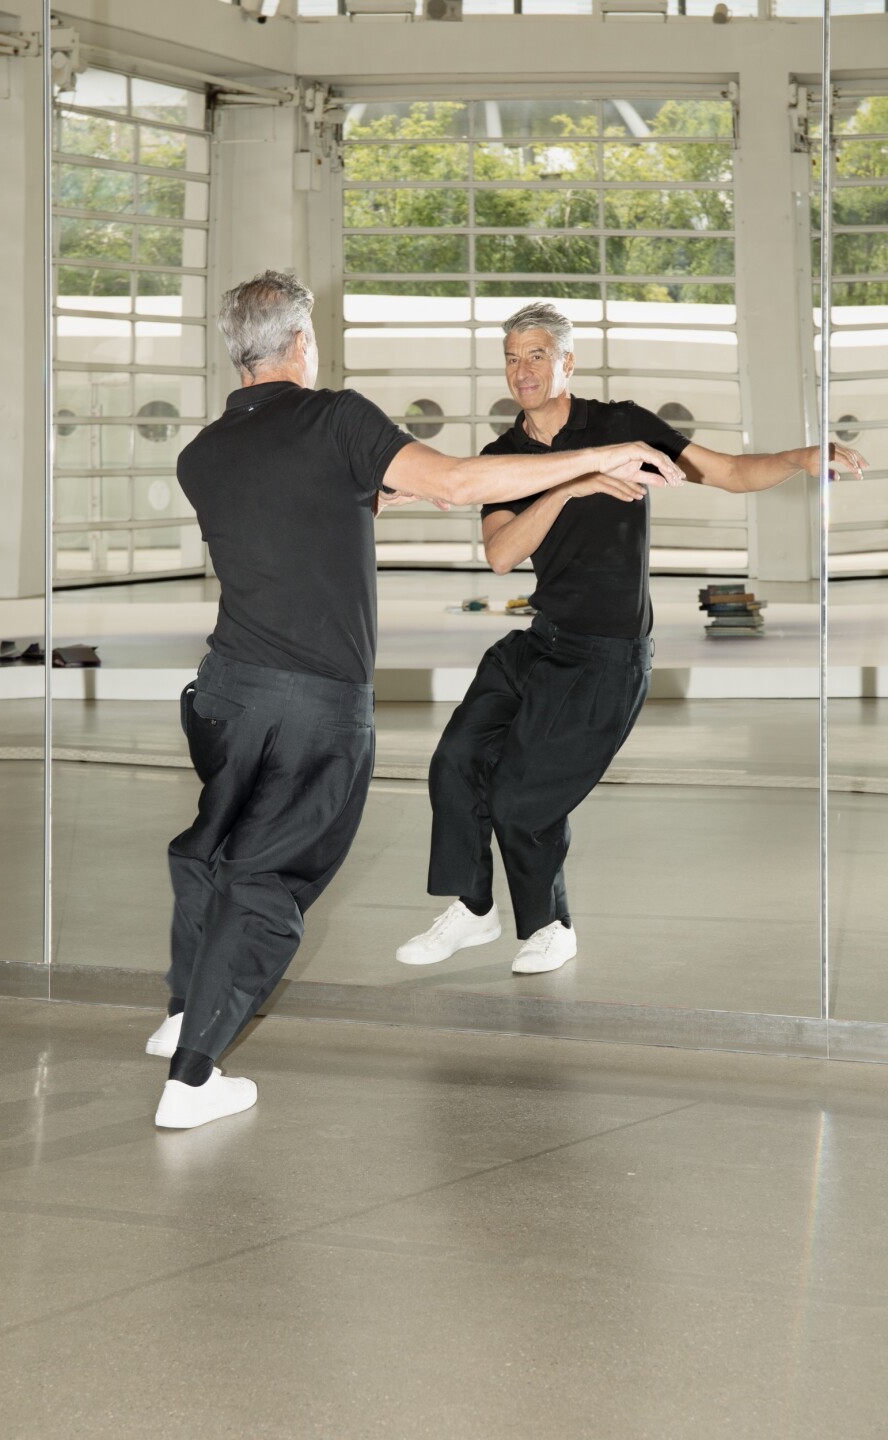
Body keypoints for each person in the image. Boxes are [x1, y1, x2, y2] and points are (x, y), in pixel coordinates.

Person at [146, 272, 687, 1129]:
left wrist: (384, 491)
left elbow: (334, 499)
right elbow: (459, 485)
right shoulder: (338, 418)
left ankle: (184, 1004)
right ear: (298, 344)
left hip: (223, 698)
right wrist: (597, 459)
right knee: (270, 879)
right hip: (313, 707)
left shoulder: (201, 454)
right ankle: (194, 1074)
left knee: (208, 850)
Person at [396, 300, 868, 977]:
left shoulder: (622, 426)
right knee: (455, 760)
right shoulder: (505, 455)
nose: (522, 371)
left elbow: (729, 472)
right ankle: (475, 909)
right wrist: (576, 484)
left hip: (607, 660)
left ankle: (551, 926)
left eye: (535, 355)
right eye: (511, 358)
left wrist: (798, 456)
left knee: (522, 800)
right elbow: (502, 554)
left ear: (566, 361)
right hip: (539, 643)